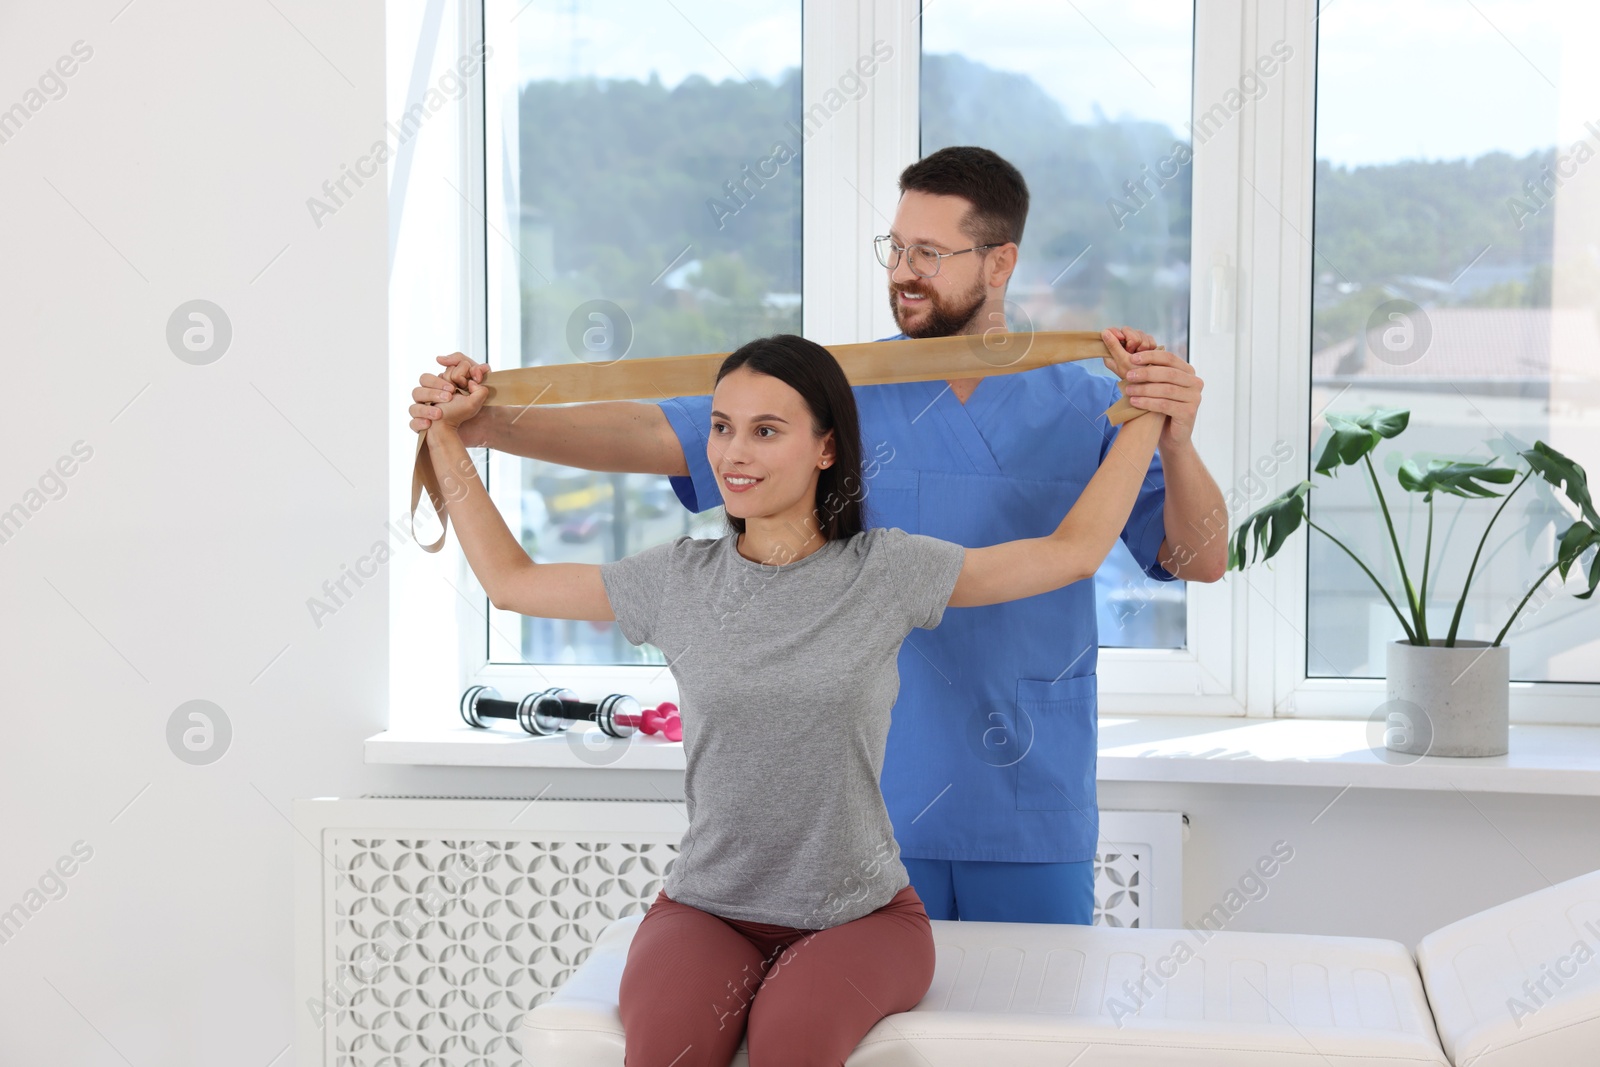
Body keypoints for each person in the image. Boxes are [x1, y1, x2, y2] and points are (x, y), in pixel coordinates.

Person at [411, 146, 1226, 925]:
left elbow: (1200, 555)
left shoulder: (1090, 405)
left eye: (932, 253)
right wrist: (489, 426)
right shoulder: (839, 392)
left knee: (1029, 1035)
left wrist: (1175, 438)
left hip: (1024, 796)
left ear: (1000, 262)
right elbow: (655, 431)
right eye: (897, 246)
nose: (904, 271)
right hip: (864, 803)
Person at [420, 332, 1167, 1067]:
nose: (733, 453)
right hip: (708, 909)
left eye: (766, 431)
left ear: (826, 448)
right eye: (721, 428)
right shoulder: (678, 581)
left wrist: (1145, 415)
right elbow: (512, 580)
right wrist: (446, 437)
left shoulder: (886, 571)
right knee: (667, 1051)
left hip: (861, 916)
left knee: (791, 1046)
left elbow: (1071, 551)